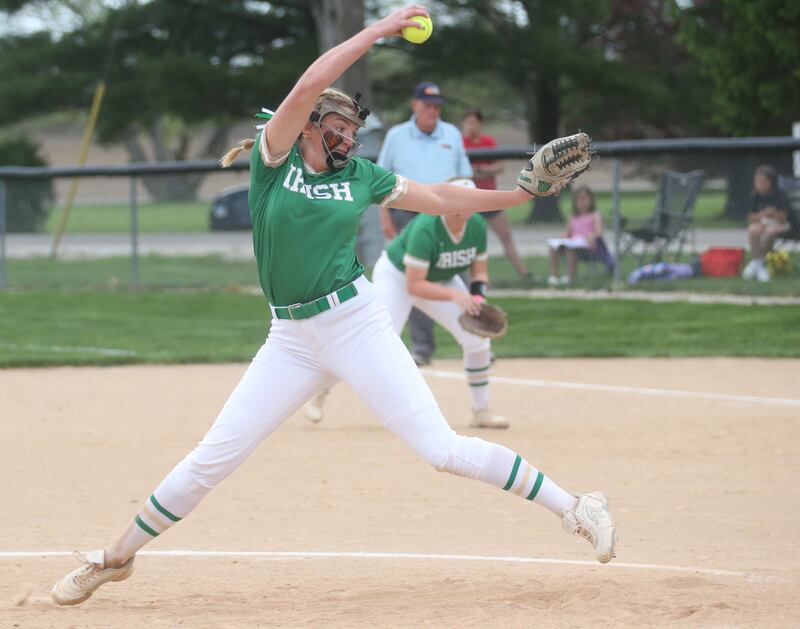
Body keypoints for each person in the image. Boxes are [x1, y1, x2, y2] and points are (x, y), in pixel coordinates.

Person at [50, 5, 616, 606]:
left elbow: (441, 194)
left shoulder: (363, 176)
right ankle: (115, 559)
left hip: (355, 322)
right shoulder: (275, 162)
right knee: (214, 457)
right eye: (337, 125)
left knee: (441, 449)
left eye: (353, 128)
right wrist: (377, 31)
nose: (348, 135)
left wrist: (519, 190)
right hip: (290, 339)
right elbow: (308, 85)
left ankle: (577, 506)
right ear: (309, 125)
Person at [306, 178, 508, 429]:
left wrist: (476, 299)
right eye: (466, 198)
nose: (473, 204)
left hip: (440, 279)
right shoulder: (427, 227)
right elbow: (415, 286)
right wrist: (457, 296)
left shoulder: (475, 225)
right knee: (371, 341)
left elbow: (479, 271)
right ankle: (321, 391)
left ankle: (481, 411)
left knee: (478, 340)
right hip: (398, 278)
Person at [378, 80, 473, 366]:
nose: (433, 109)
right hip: (408, 210)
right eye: (427, 104)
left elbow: (465, 173)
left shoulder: (451, 133)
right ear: (415, 105)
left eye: (437, 105)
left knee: (457, 270)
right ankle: (422, 347)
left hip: (449, 211)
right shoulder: (397, 135)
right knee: (415, 280)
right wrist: (385, 219)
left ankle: (474, 339)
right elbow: (382, 179)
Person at [462, 109, 532, 281]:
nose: (471, 126)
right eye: (468, 122)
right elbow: (463, 172)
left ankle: (525, 274)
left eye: (474, 122)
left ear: (480, 124)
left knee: (506, 236)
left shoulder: (488, 142)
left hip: (491, 198)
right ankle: (474, 278)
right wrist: (477, 172)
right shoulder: (460, 143)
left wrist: (481, 170)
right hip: (470, 200)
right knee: (470, 242)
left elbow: (500, 166)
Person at [546, 185, 608, 286]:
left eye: (585, 198)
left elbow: (599, 231)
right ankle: (555, 276)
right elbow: (567, 232)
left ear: (591, 200)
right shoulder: (573, 217)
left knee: (570, 249)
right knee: (553, 247)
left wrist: (591, 236)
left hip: (587, 246)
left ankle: (570, 276)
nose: (582, 202)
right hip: (574, 243)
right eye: (579, 199)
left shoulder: (595, 215)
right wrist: (563, 236)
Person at [741, 164, 792, 282]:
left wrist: (771, 215)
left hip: (784, 224)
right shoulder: (755, 195)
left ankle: (760, 264)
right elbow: (751, 218)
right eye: (757, 181)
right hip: (764, 222)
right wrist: (764, 213)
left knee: (770, 231)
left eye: (763, 181)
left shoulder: (780, 194)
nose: (760, 184)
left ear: (771, 182)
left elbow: (783, 217)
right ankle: (759, 264)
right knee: (753, 230)